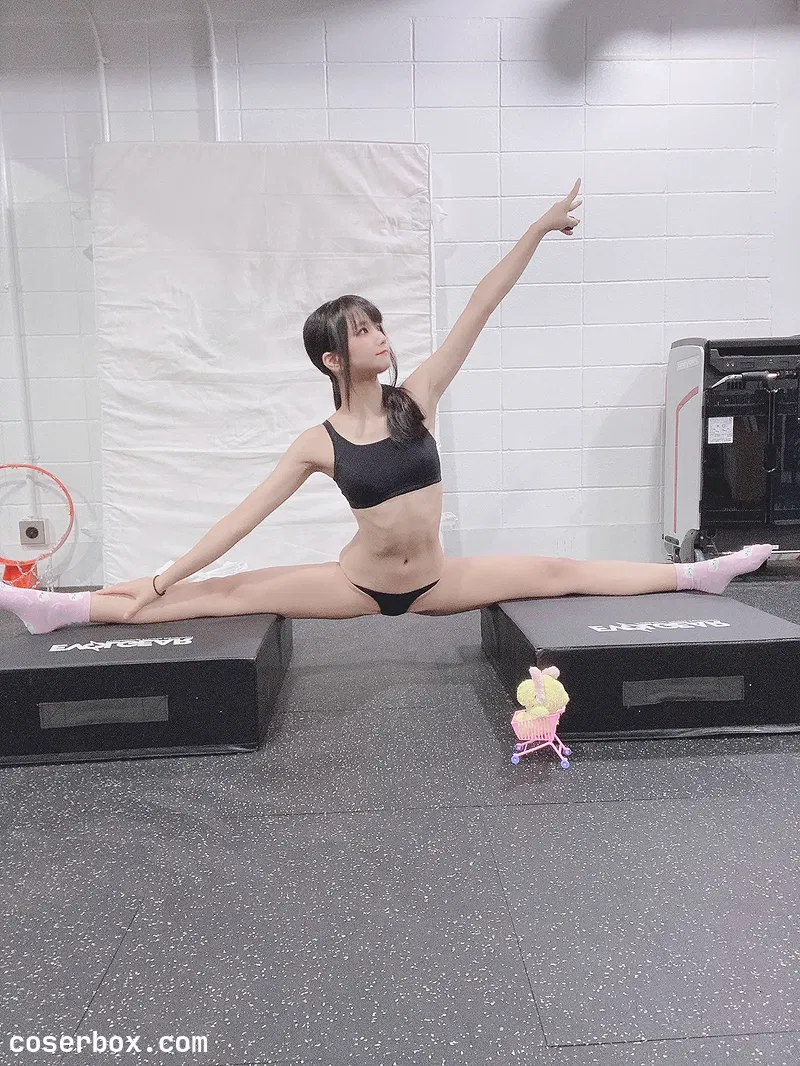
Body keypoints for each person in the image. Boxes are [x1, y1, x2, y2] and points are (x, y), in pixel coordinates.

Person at [0, 179, 773, 635]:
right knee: (214, 595)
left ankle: (696, 577)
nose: (380, 337)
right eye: (362, 331)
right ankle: (64, 610)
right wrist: (165, 576)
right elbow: (240, 521)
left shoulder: (418, 397)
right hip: (355, 584)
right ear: (332, 359)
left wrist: (537, 230)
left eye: (378, 325)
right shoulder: (318, 442)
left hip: (437, 580)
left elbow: (480, 304)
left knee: (559, 569)